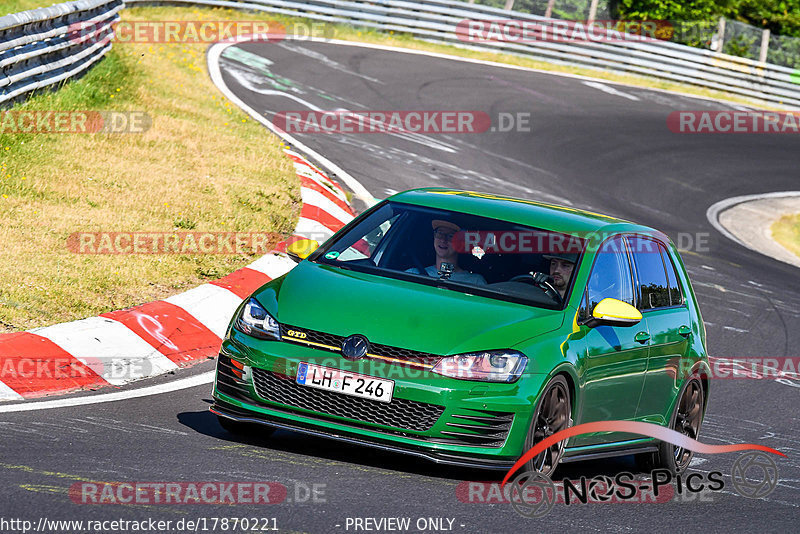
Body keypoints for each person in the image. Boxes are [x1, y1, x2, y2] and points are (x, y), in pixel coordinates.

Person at [407, 220, 487, 285]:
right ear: (434, 237)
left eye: (450, 236)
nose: (443, 240)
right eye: (440, 233)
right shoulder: (413, 274)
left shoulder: (475, 282)